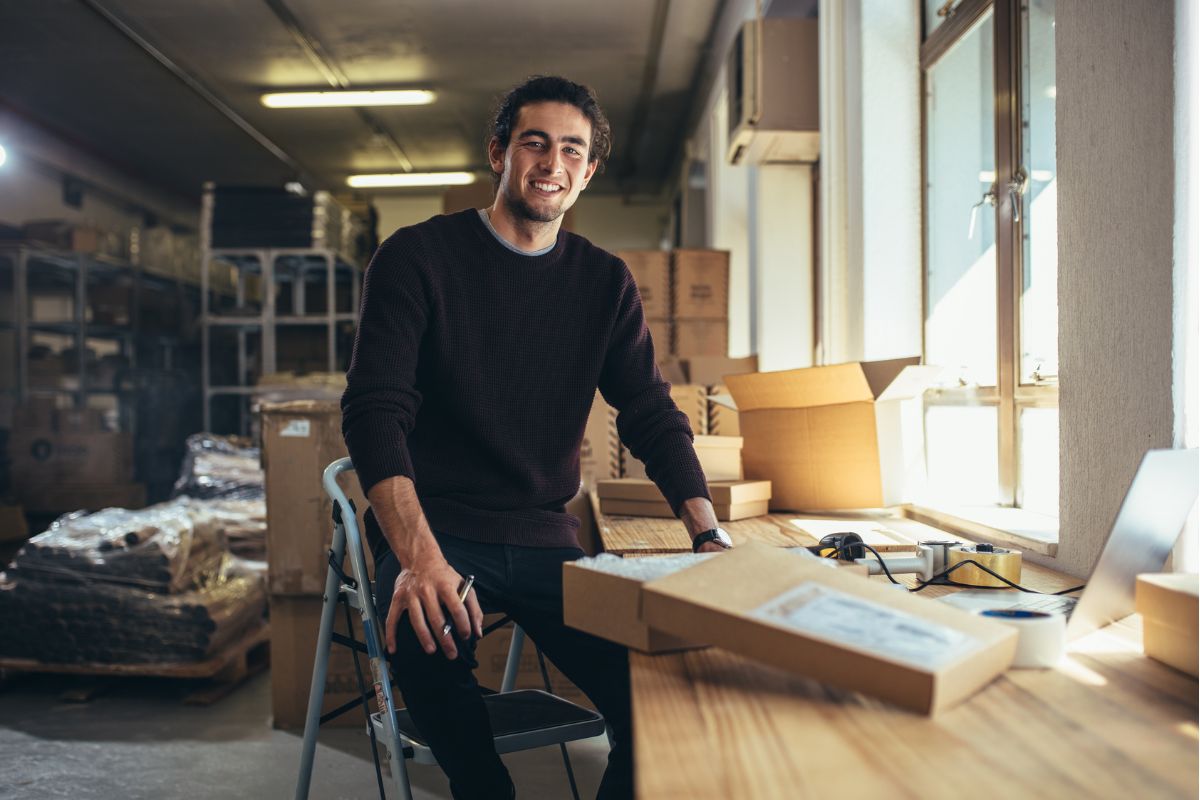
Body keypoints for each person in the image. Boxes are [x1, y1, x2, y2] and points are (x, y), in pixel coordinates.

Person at [341, 75, 730, 800]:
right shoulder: (416, 258)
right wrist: (416, 558)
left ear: (587, 173)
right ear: (499, 153)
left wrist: (706, 533)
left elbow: (648, 408)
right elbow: (374, 411)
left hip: (547, 538)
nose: (552, 162)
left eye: (571, 150)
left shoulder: (602, 283)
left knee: (661, 697)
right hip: (439, 527)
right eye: (535, 142)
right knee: (433, 660)